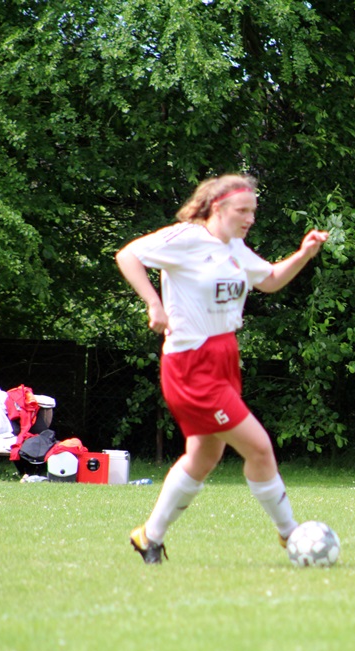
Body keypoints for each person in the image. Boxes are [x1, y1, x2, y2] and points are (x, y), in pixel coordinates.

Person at [115, 173, 329, 564]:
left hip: (224, 356)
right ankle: (291, 535)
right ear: (218, 207)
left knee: (203, 457)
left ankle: (149, 536)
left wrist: (303, 254)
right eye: (242, 210)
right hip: (191, 363)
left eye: (253, 211)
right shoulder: (187, 238)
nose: (250, 218)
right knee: (259, 448)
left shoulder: (234, 248)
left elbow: (269, 280)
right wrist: (153, 303)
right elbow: (127, 256)